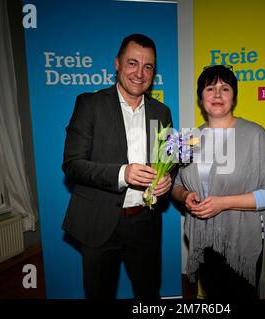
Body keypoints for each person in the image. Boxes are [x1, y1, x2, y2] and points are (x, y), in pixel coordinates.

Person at [62, 34, 173, 299]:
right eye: (132, 63)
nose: (139, 73)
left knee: (149, 294)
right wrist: (123, 174)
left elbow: (166, 160)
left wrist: (166, 178)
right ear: (117, 63)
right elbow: (72, 164)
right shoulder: (90, 104)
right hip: (99, 222)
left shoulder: (162, 112)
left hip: (146, 223)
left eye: (148, 67)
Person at [172, 64, 265, 299]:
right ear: (200, 97)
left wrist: (223, 203)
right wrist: (185, 196)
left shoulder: (256, 135)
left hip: (243, 243)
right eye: (209, 88)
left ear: (233, 97)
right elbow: (175, 185)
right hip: (205, 241)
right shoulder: (188, 139)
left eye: (224, 89)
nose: (216, 94)